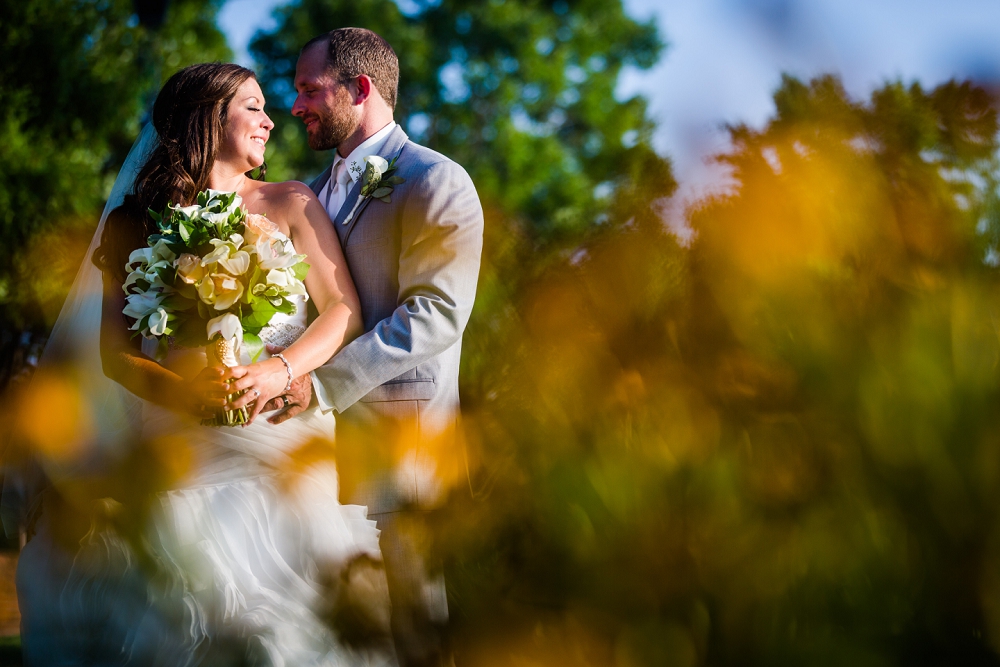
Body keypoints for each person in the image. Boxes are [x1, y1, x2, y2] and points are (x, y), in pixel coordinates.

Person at [16, 63, 394, 666]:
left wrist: (280, 371)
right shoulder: (131, 224)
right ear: (207, 118)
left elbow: (341, 312)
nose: (271, 120)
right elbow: (116, 356)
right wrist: (184, 396)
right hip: (179, 452)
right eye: (253, 106)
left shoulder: (291, 202)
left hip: (281, 447)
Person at [233, 27, 484, 667]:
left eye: (309, 90)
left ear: (360, 88)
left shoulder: (436, 181)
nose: (295, 107)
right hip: (307, 449)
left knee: (414, 622)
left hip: (401, 440)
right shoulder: (308, 193)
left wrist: (317, 383)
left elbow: (436, 311)